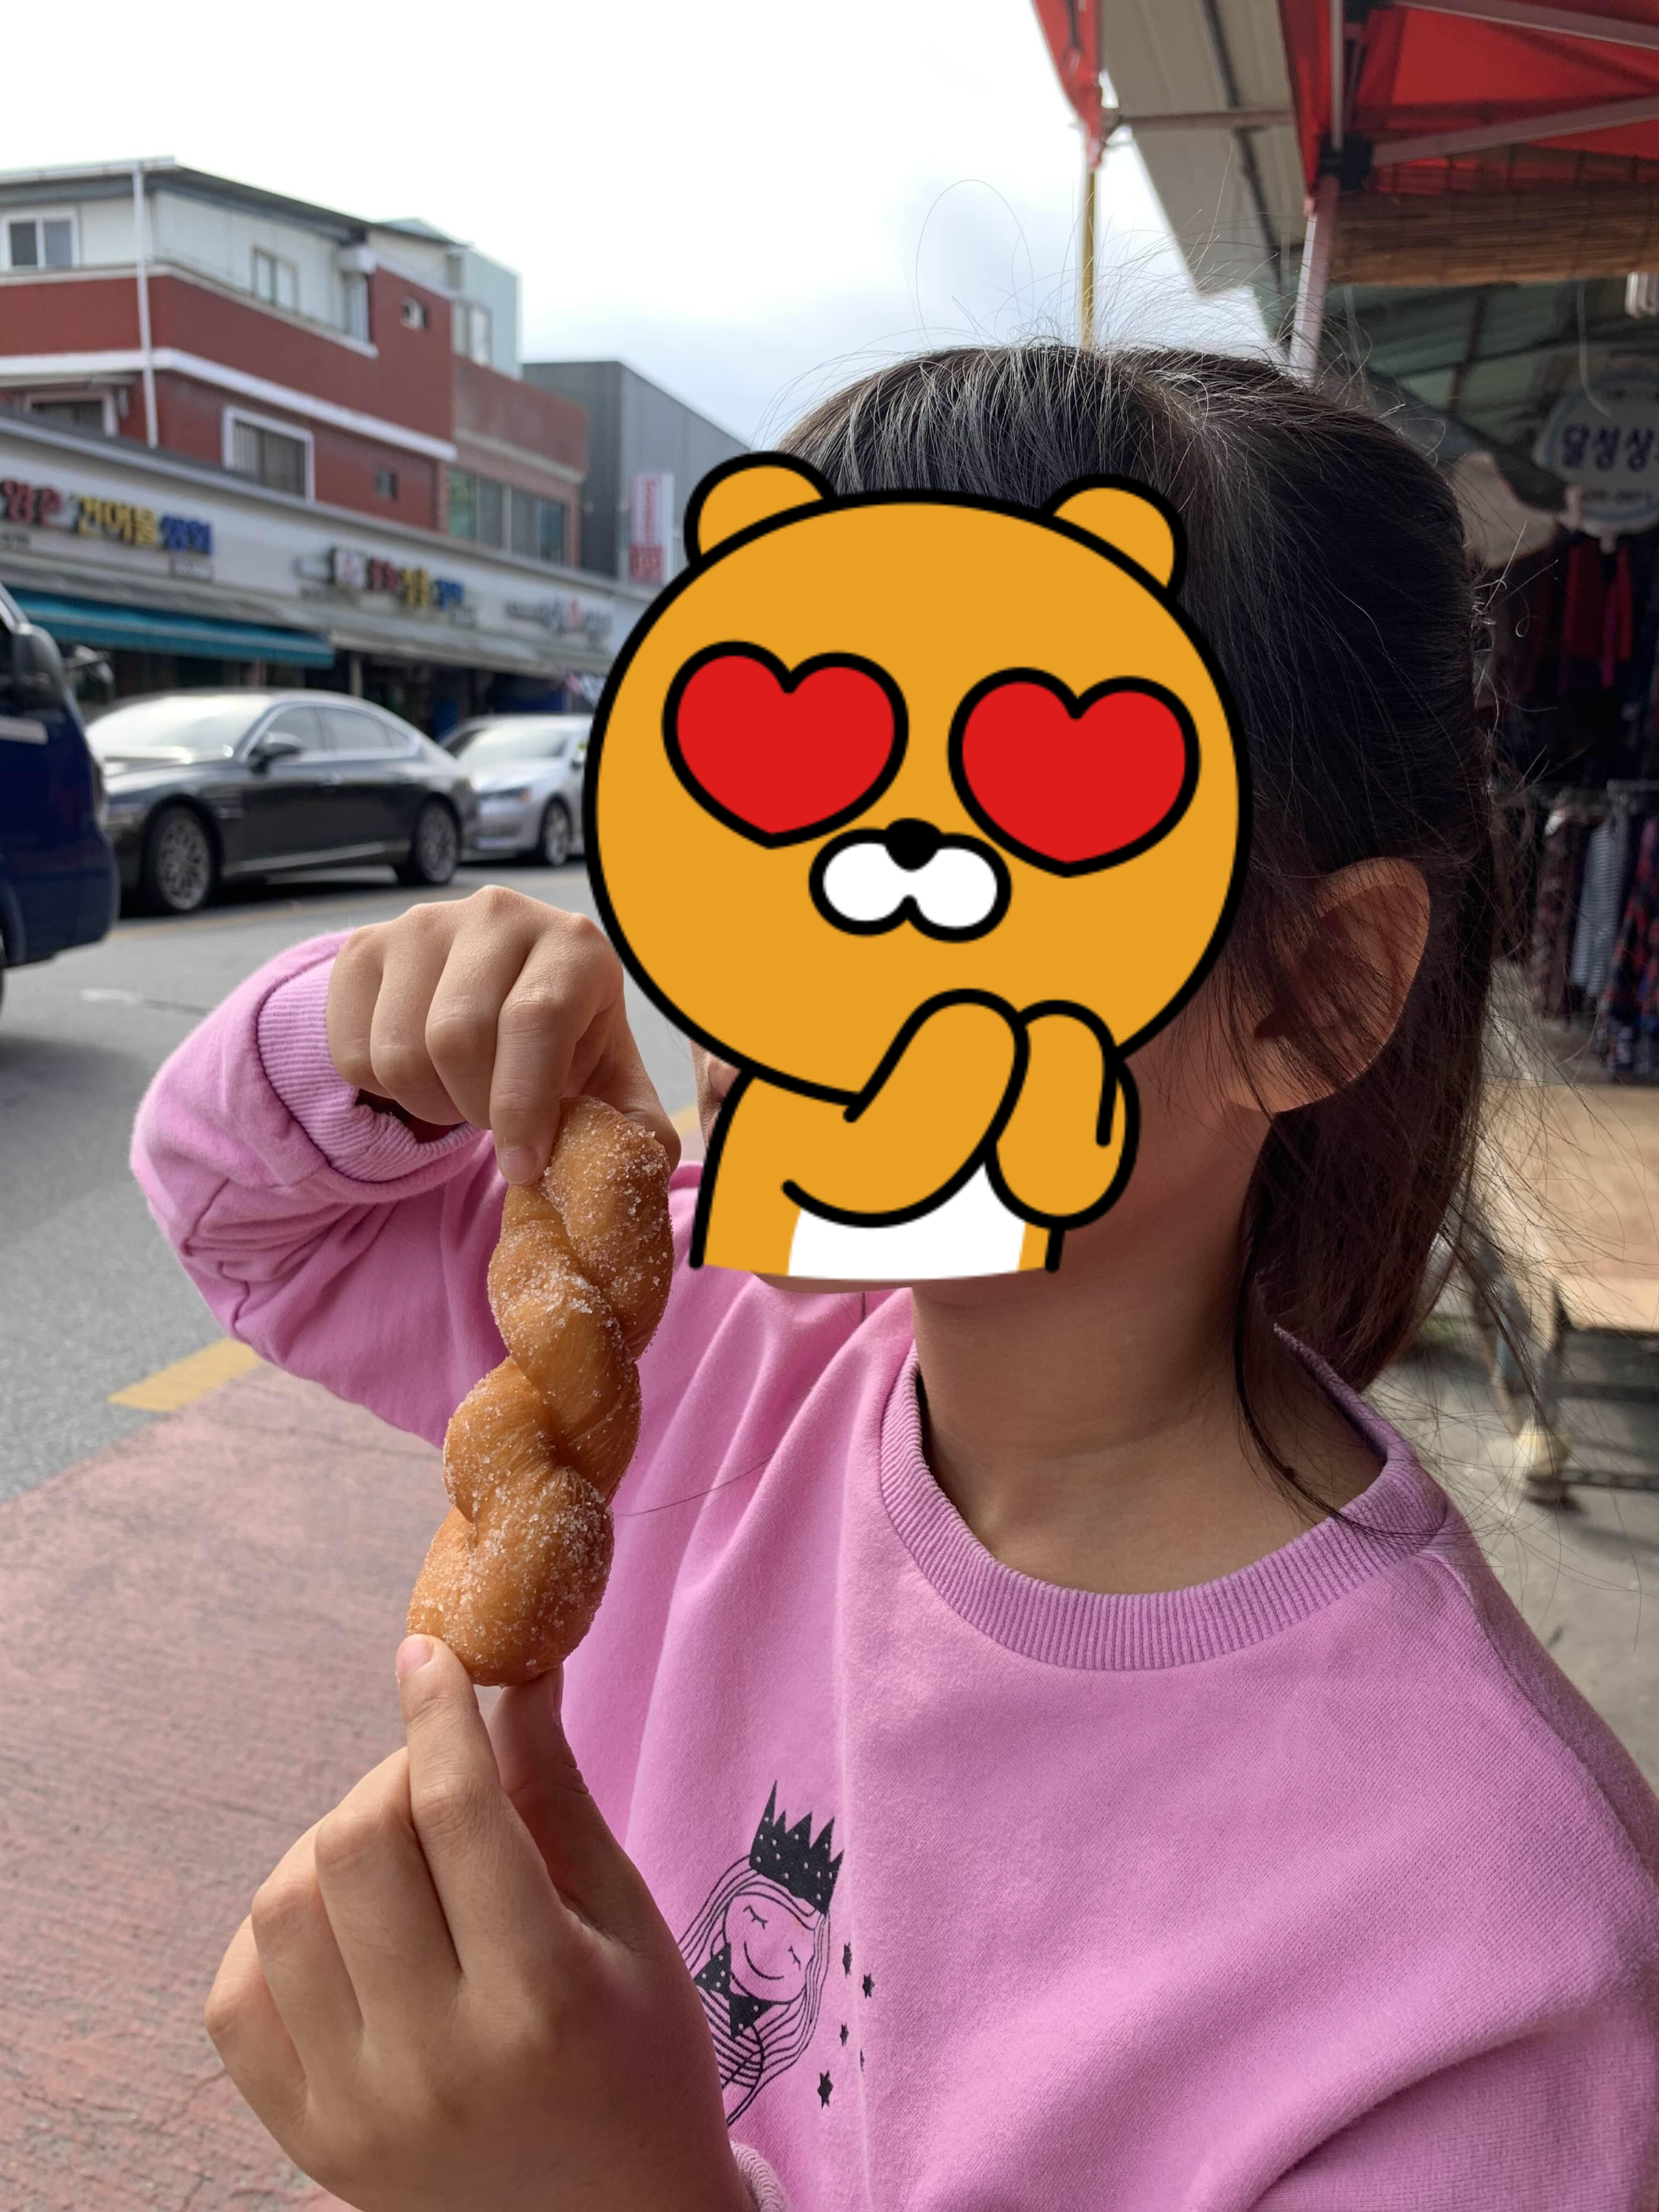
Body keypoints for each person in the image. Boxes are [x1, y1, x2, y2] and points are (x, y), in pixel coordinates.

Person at [133, 344, 1659, 2212]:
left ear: (1316, 994)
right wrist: (379, 1032)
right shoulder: (701, 1336)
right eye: (759, 808)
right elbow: (245, 1213)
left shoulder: (1491, 1972)